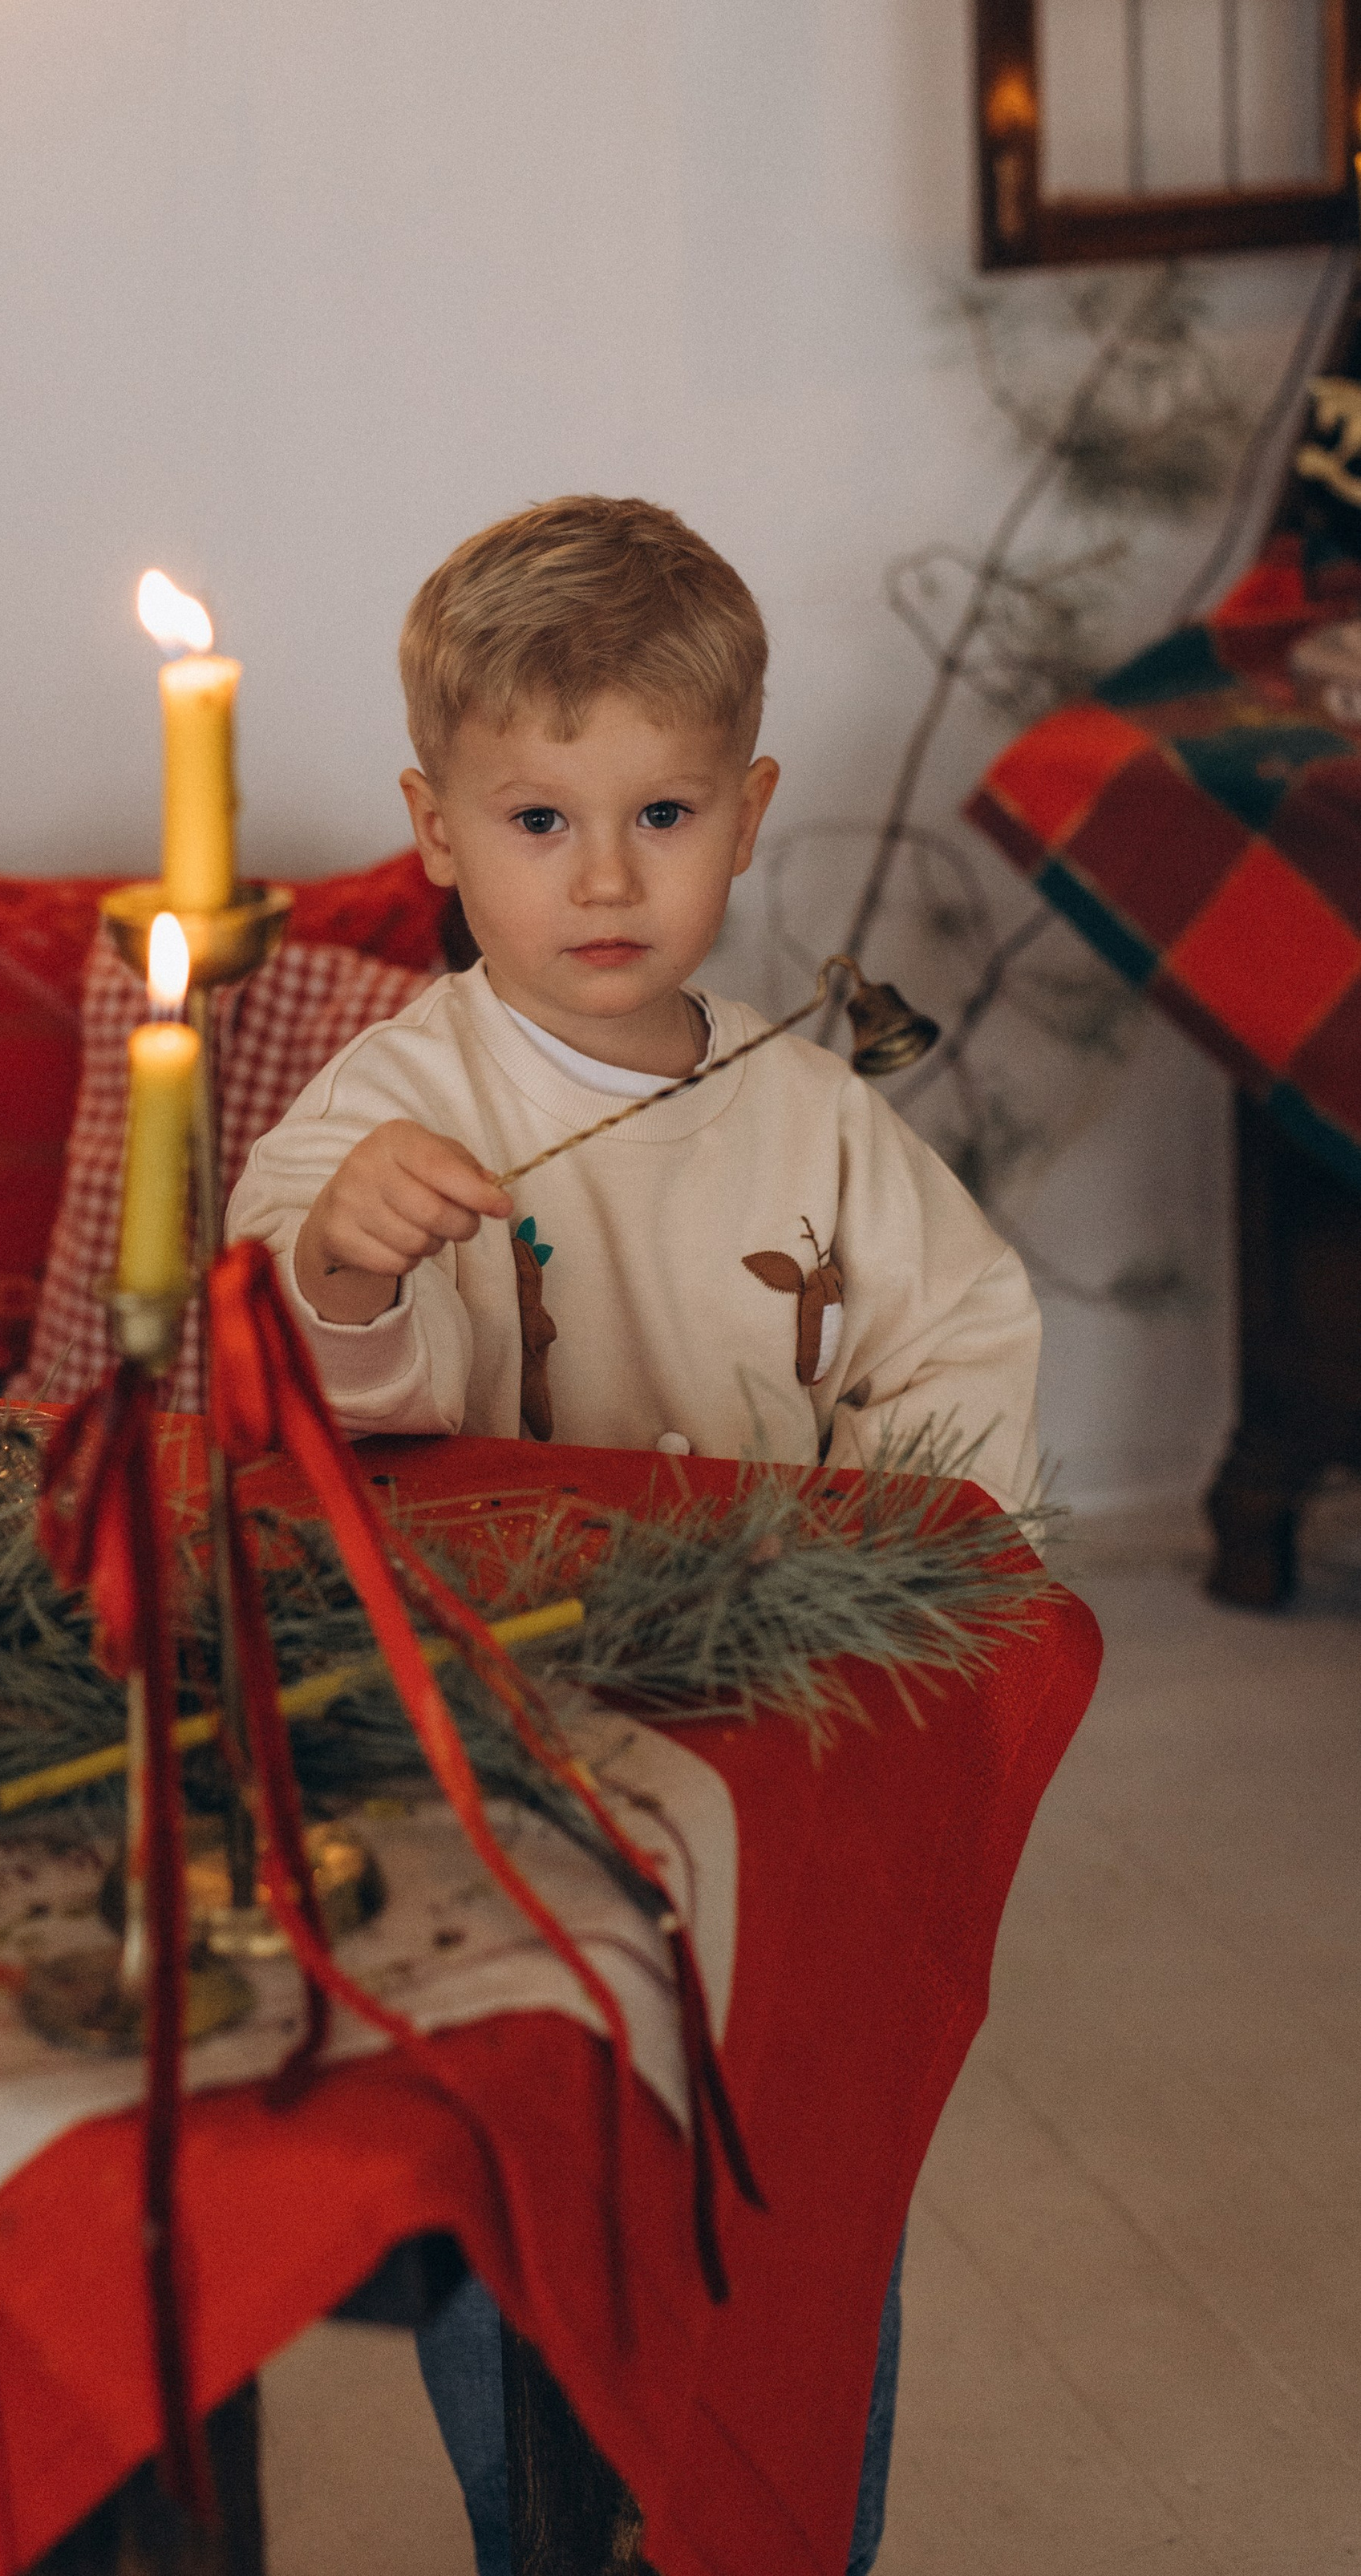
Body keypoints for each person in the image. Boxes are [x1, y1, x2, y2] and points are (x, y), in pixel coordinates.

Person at [226, 495, 1041, 2575]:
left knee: (793, 2192)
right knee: (545, 2212)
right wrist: (347, 1273)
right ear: (433, 825)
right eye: (537, 819)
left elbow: (959, 1334)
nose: (605, 877)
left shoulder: (813, 1108)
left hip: (773, 1758)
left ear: (751, 812)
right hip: (515, 1773)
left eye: (663, 811)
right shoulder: (391, 1108)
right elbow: (285, 1404)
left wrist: (883, 1573)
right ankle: (549, 2538)